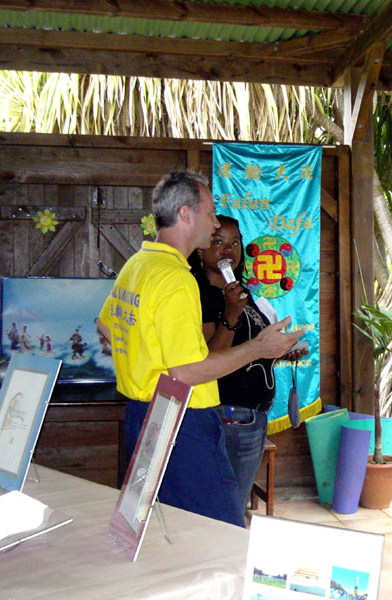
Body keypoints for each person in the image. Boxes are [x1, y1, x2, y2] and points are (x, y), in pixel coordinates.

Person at [97, 170, 304, 528]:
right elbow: (186, 372)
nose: (214, 223)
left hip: (144, 414)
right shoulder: (176, 279)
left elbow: (105, 326)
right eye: (210, 213)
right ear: (185, 214)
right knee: (221, 533)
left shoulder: (138, 264)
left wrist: (144, 357)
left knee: (169, 529)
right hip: (183, 422)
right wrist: (260, 348)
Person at [189, 215, 308, 513]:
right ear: (201, 249)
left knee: (234, 503)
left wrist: (281, 352)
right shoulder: (200, 295)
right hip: (227, 417)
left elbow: (250, 352)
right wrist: (230, 314)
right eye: (218, 242)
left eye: (235, 242)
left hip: (252, 417)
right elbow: (211, 359)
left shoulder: (245, 295)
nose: (228, 250)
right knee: (225, 508)